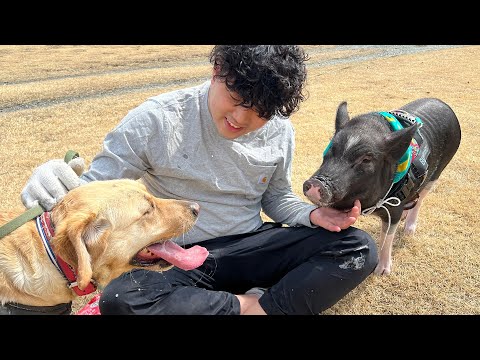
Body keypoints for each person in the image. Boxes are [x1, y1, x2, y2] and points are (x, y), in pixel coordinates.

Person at [20, 45, 378, 315]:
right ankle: (252, 305)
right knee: (121, 299)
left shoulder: (281, 132)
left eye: (261, 113)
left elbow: (276, 197)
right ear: (216, 70)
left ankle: (260, 307)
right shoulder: (155, 120)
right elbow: (97, 188)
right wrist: (51, 179)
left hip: (249, 245)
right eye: (236, 98)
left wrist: (312, 216)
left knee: (358, 247)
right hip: (174, 256)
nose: (241, 118)